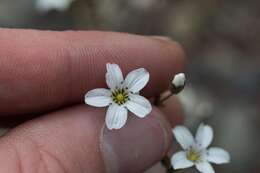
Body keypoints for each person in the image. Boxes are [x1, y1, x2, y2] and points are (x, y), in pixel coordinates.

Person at [0, 29, 186, 173]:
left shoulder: (128, 93)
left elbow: (141, 85)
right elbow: (102, 101)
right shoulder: (104, 95)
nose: (120, 97)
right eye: (118, 95)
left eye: (121, 96)